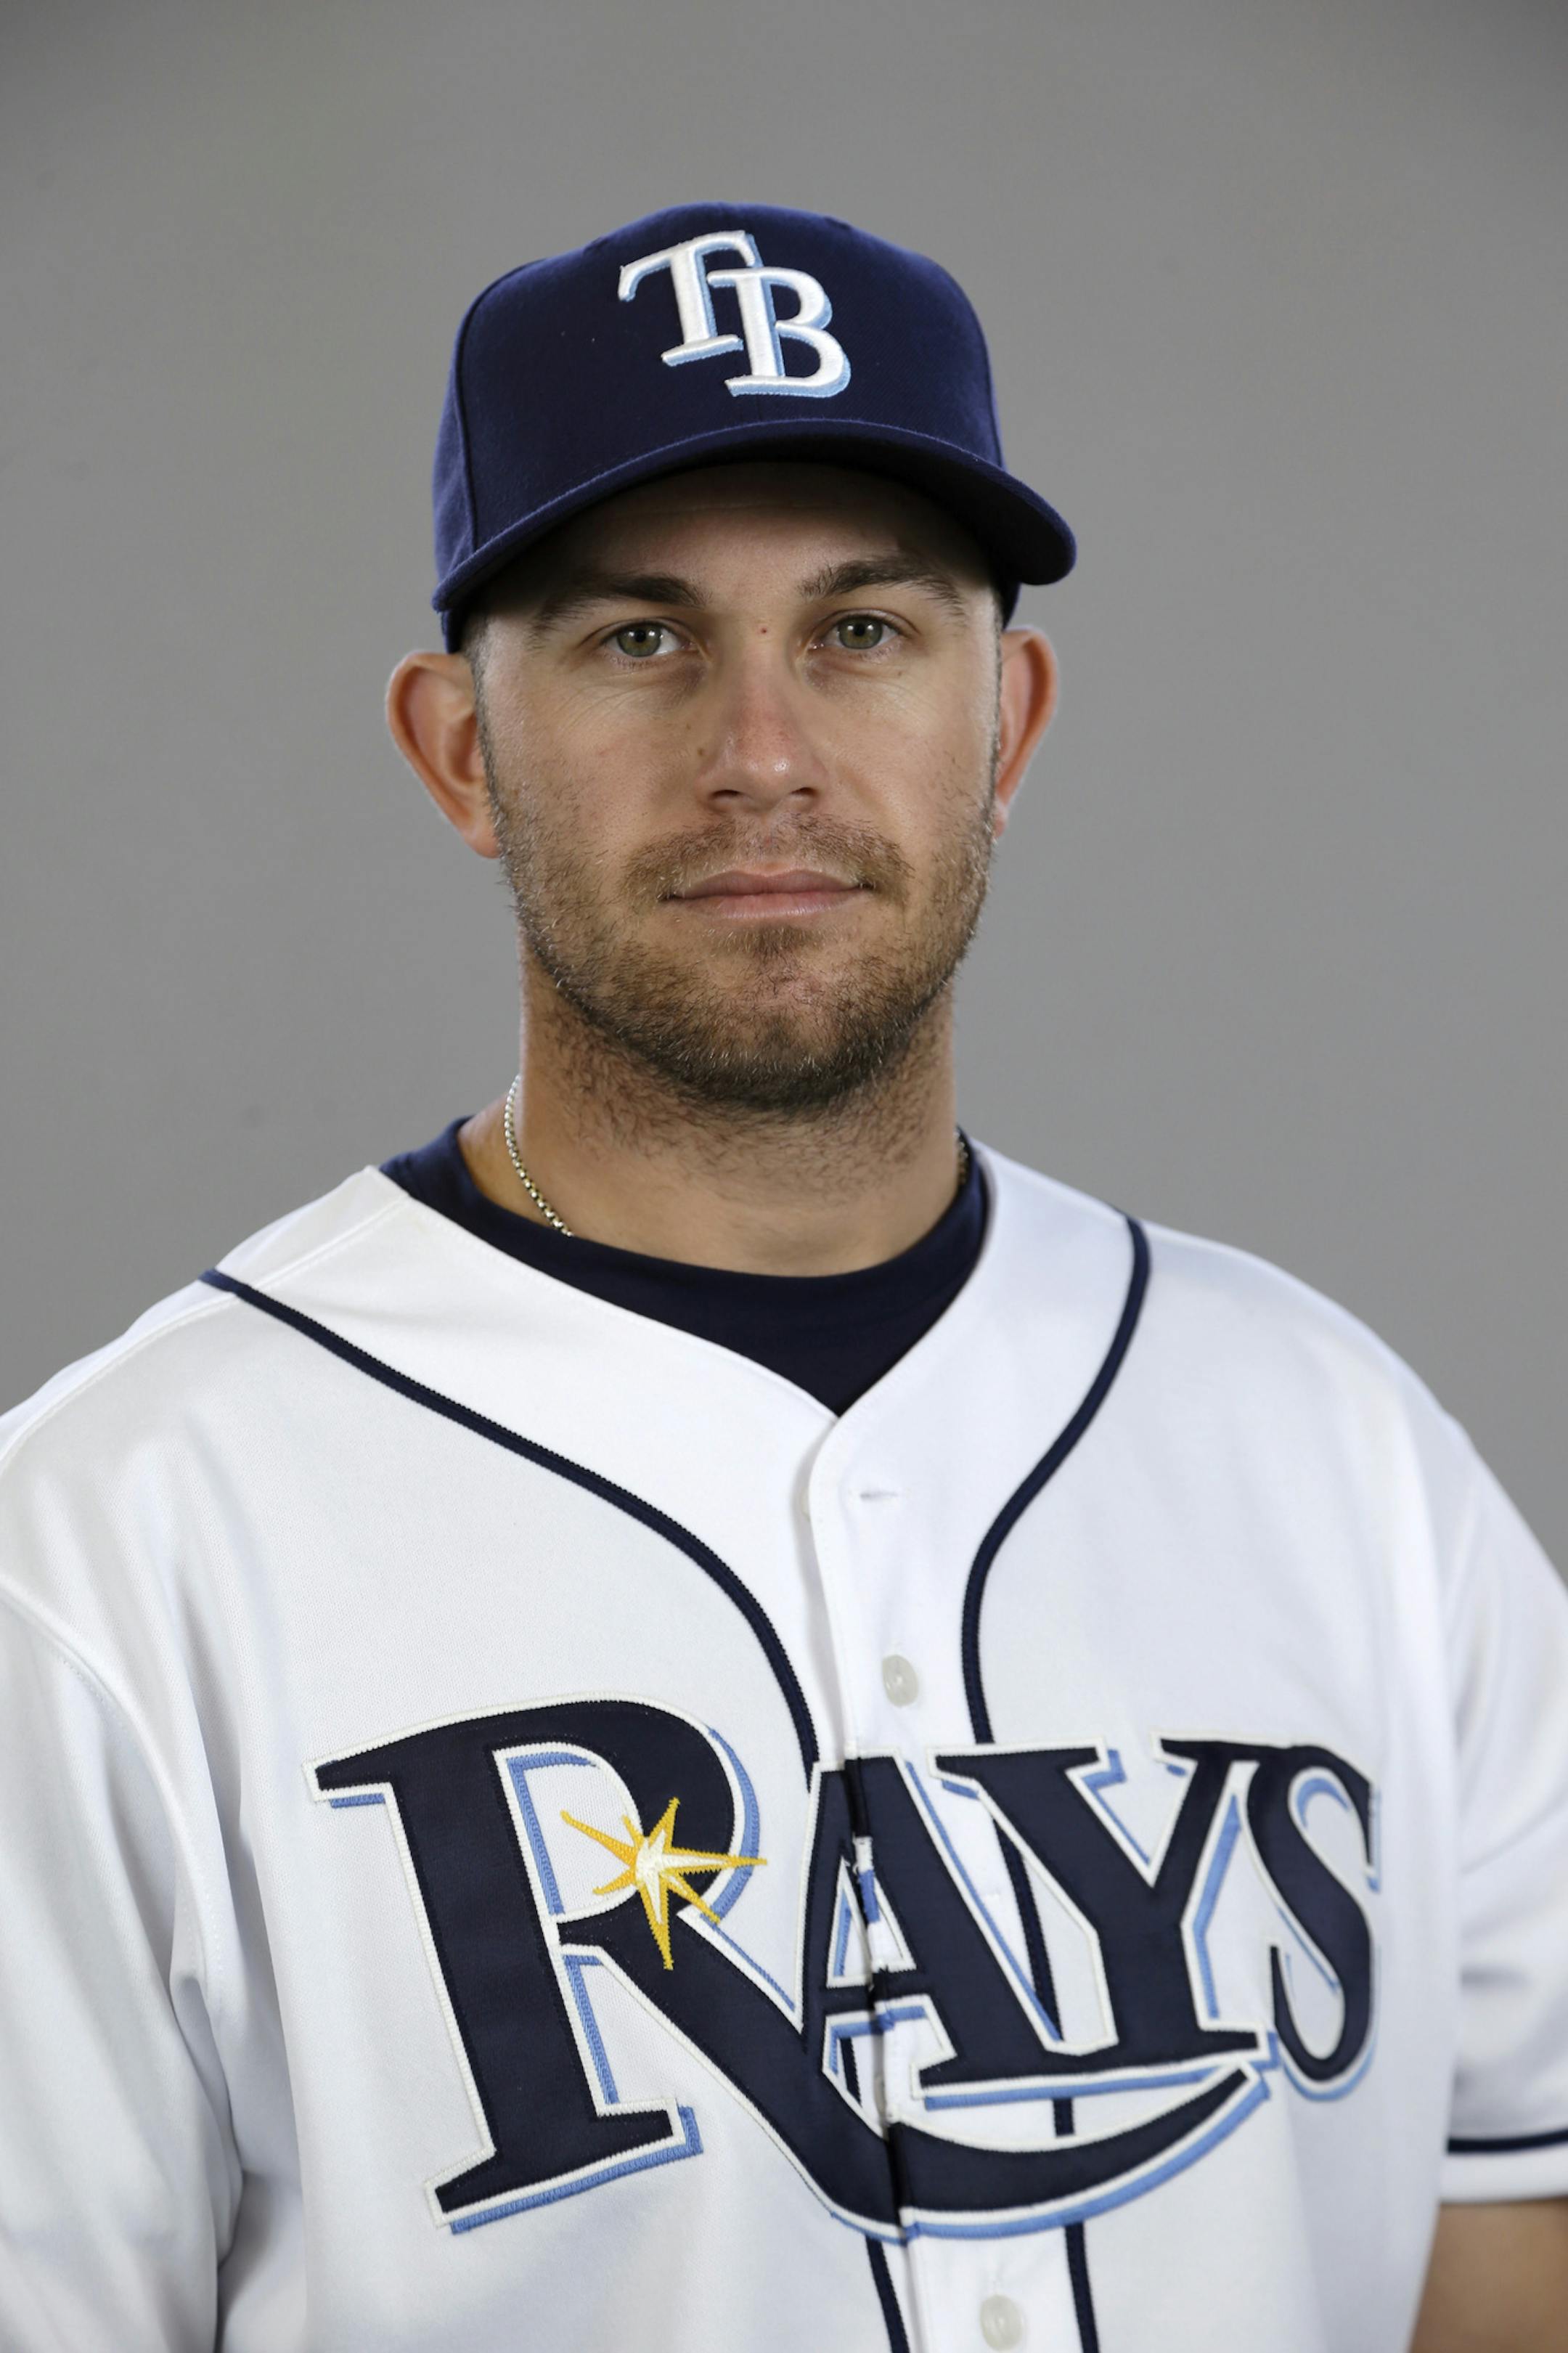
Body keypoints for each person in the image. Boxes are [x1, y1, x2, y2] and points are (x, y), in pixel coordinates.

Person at [1, 202, 1564, 2353]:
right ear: (460, 751)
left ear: (1005, 721)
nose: (761, 749)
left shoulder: (1346, 1460)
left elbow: (1512, 2252)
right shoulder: (106, 1552)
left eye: (864, 630)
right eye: (641, 637)